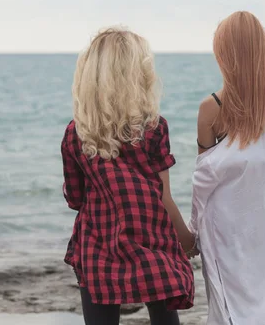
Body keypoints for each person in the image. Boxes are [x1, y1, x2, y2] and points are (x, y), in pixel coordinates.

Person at [61, 28, 195, 325]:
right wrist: (187, 240)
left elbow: (75, 197)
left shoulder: (76, 133)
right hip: (151, 242)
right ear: (137, 77)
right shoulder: (153, 128)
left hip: (97, 245)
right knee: (164, 316)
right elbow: (163, 196)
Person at [188, 11, 265, 325]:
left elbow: (203, 181)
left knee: (227, 311)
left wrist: (192, 230)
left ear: (224, 56)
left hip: (223, 229)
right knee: (263, 310)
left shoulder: (211, 108)